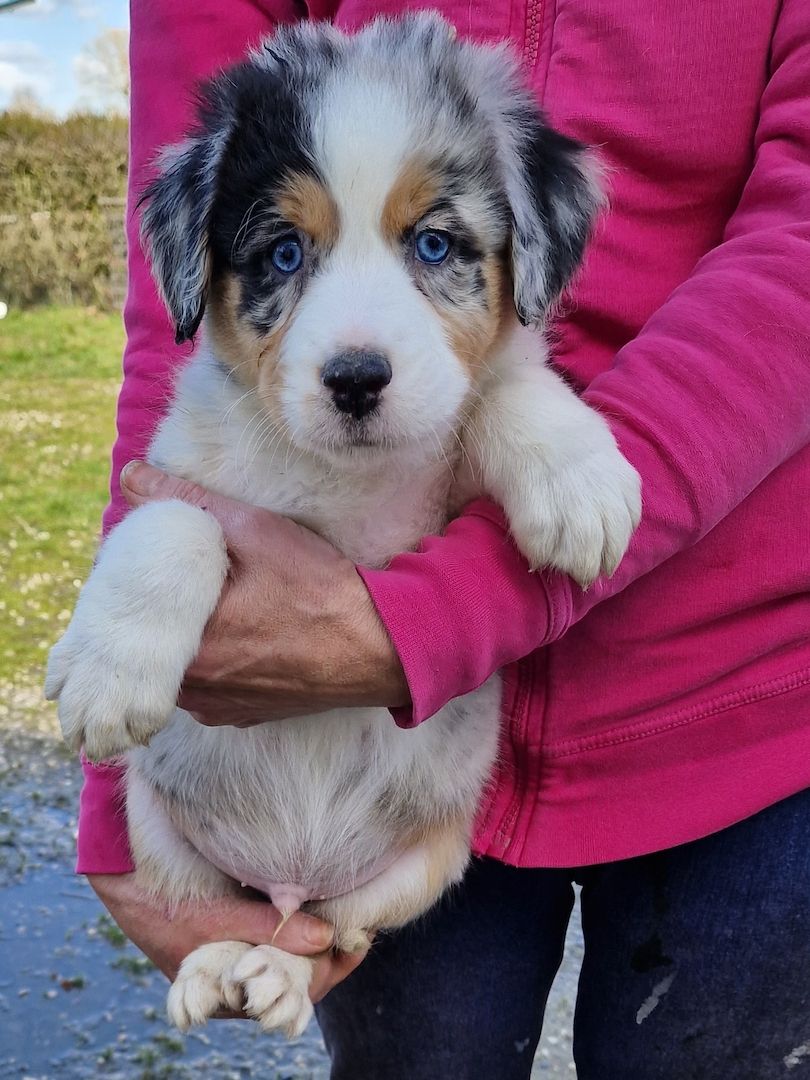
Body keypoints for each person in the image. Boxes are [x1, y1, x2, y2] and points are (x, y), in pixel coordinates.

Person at [78, 0, 810, 1076]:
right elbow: (171, 453)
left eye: (434, 243)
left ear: (533, 246)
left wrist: (434, 600)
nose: (355, 346)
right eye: (283, 252)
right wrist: (120, 797)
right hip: (367, 806)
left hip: (738, 684)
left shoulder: (510, 383)